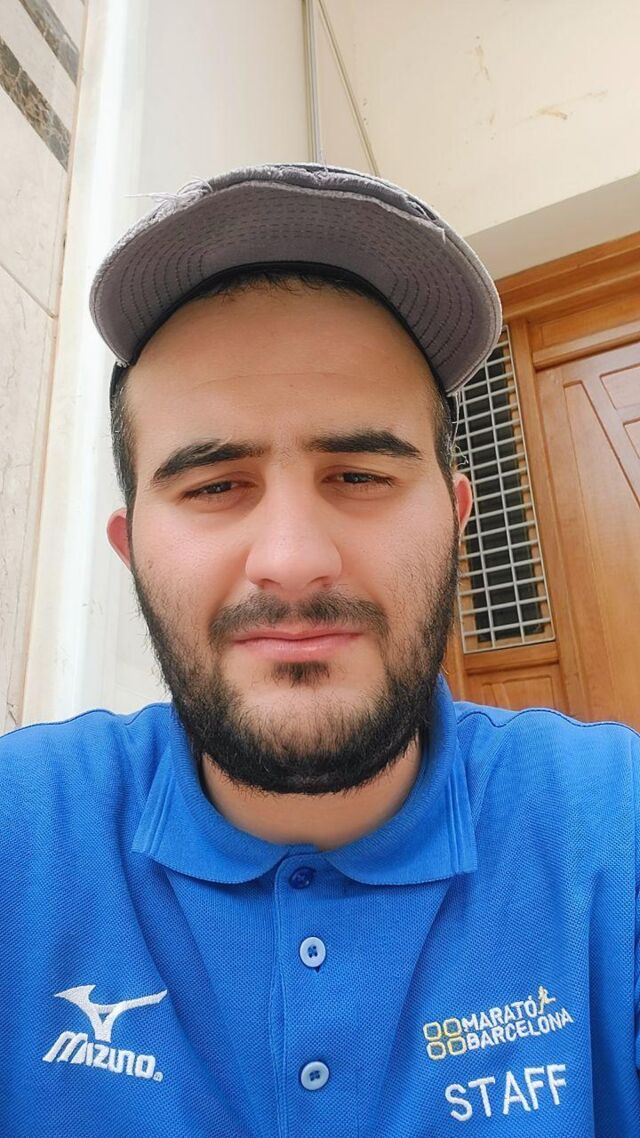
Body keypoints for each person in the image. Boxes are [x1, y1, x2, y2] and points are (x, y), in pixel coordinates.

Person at [0, 163, 638, 1137]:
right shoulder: (23, 831)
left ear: (454, 520)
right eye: (215, 486)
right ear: (133, 553)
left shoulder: (613, 827)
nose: (293, 561)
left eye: (360, 473)